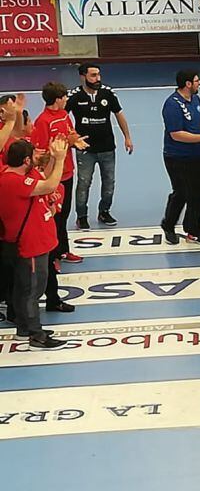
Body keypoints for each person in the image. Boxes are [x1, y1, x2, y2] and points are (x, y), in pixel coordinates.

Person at [0, 137, 68, 348]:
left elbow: (44, 177)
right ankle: (36, 335)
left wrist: (54, 159)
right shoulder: (13, 182)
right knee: (31, 291)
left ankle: (25, 328)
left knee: (25, 288)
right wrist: (61, 157)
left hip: (35, 243)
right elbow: (50, 184)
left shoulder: (19, 175)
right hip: (29, 246)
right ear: (27, 160)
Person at [161, 69, 200, 245]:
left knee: (198, 194)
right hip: (176, 156)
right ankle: (168, 225)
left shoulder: (195, 99)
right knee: (181, 193)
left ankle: (193, 230)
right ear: (188, 84)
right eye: (197, 81)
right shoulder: (172, 104)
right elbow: (176, 134)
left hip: (196, 155)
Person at [66, 63, 132, 230]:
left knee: (109, 182)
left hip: (107, 147)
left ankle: (104, 211)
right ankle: (81, 216)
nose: (98, 79)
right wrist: (71, 138)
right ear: (83, 77)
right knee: (83, 183)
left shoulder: (108, 93)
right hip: (85, 149)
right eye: (93, 75)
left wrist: (127, 137)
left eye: (98, 75)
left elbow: (119, 115)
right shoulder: (74, 96)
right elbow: (61, 118)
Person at [31, 82, 87, 265]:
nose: (66, 100)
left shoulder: (64, 115)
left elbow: (71, 133)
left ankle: (63, 250)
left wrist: (75, 141)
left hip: (68, 172)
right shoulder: (43, 121)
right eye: (64, 97)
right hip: (53, 178)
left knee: (63, 216)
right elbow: (40, 154)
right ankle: (52, 256)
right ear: (57, 99)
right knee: (53, 217)